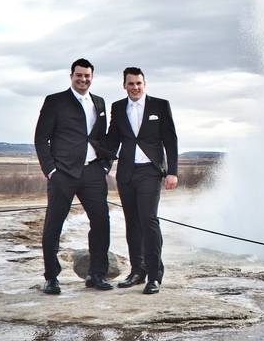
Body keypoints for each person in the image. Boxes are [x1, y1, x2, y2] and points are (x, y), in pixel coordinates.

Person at [33, 57, 114, 295]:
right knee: (53, 226)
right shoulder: (55, 101)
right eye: (79, 75)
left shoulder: (98, 103)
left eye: (87, 76)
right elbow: (41, 139)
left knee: (101, 223)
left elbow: (101, 137)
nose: (83, 79)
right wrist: (51, 170)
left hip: (92, 172)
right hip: (63, 173)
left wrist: (105, 165)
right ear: (71, 76)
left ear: (92, 77)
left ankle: (96, 274)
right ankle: (51, 278)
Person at [107, 66, 178, 295]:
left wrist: (172, 171)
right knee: (132, 223)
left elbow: (170, 140)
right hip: (126, 173)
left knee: (148, 221)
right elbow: (112, 140)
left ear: (144, 84)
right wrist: (98, 159)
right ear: (124, 85)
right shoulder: (118, 108)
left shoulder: (160, 105)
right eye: (130, 84)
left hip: (150, 171)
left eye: (138, 83)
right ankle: (138, 271)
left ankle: (154, 276)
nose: (135, 87)